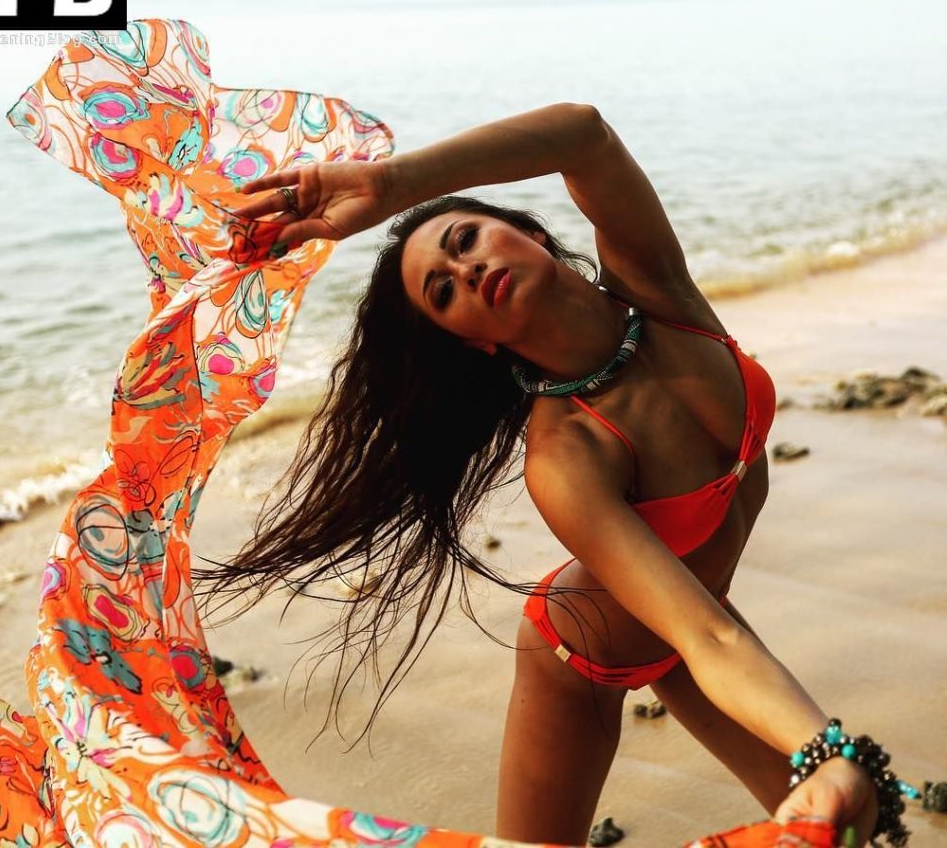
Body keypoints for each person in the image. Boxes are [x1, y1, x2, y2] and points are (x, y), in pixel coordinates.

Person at [200, 102, 916, 846]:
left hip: (688, 621)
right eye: (443, 291)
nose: (466, 270)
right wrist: (829, 747)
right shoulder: (569, 454)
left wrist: (390, 185)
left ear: (533, 233)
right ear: (471, 342)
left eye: (465, 239)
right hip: (584, 657)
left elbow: (584, 133)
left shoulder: (658, 290)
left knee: (842, 825)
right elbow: (707, 635)